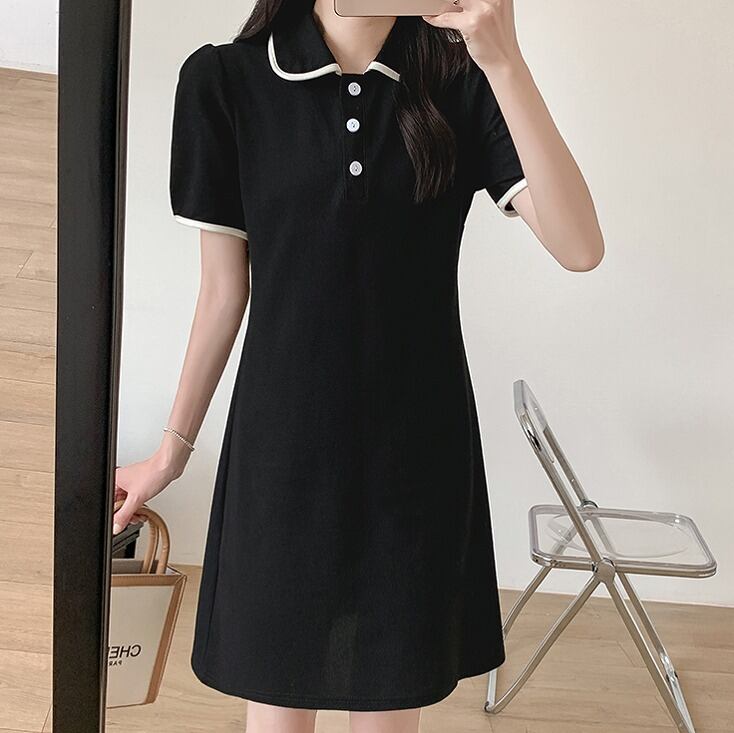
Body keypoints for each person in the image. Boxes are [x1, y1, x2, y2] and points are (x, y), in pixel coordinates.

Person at [113, 0, 604, 731]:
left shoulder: (463, 83)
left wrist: (506, 62)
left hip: (415, 458)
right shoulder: (226, 80)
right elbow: (223, 292)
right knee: (276, 701)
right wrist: (170, 454)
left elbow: (580, 246)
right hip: (281, 455)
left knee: (387, 702)